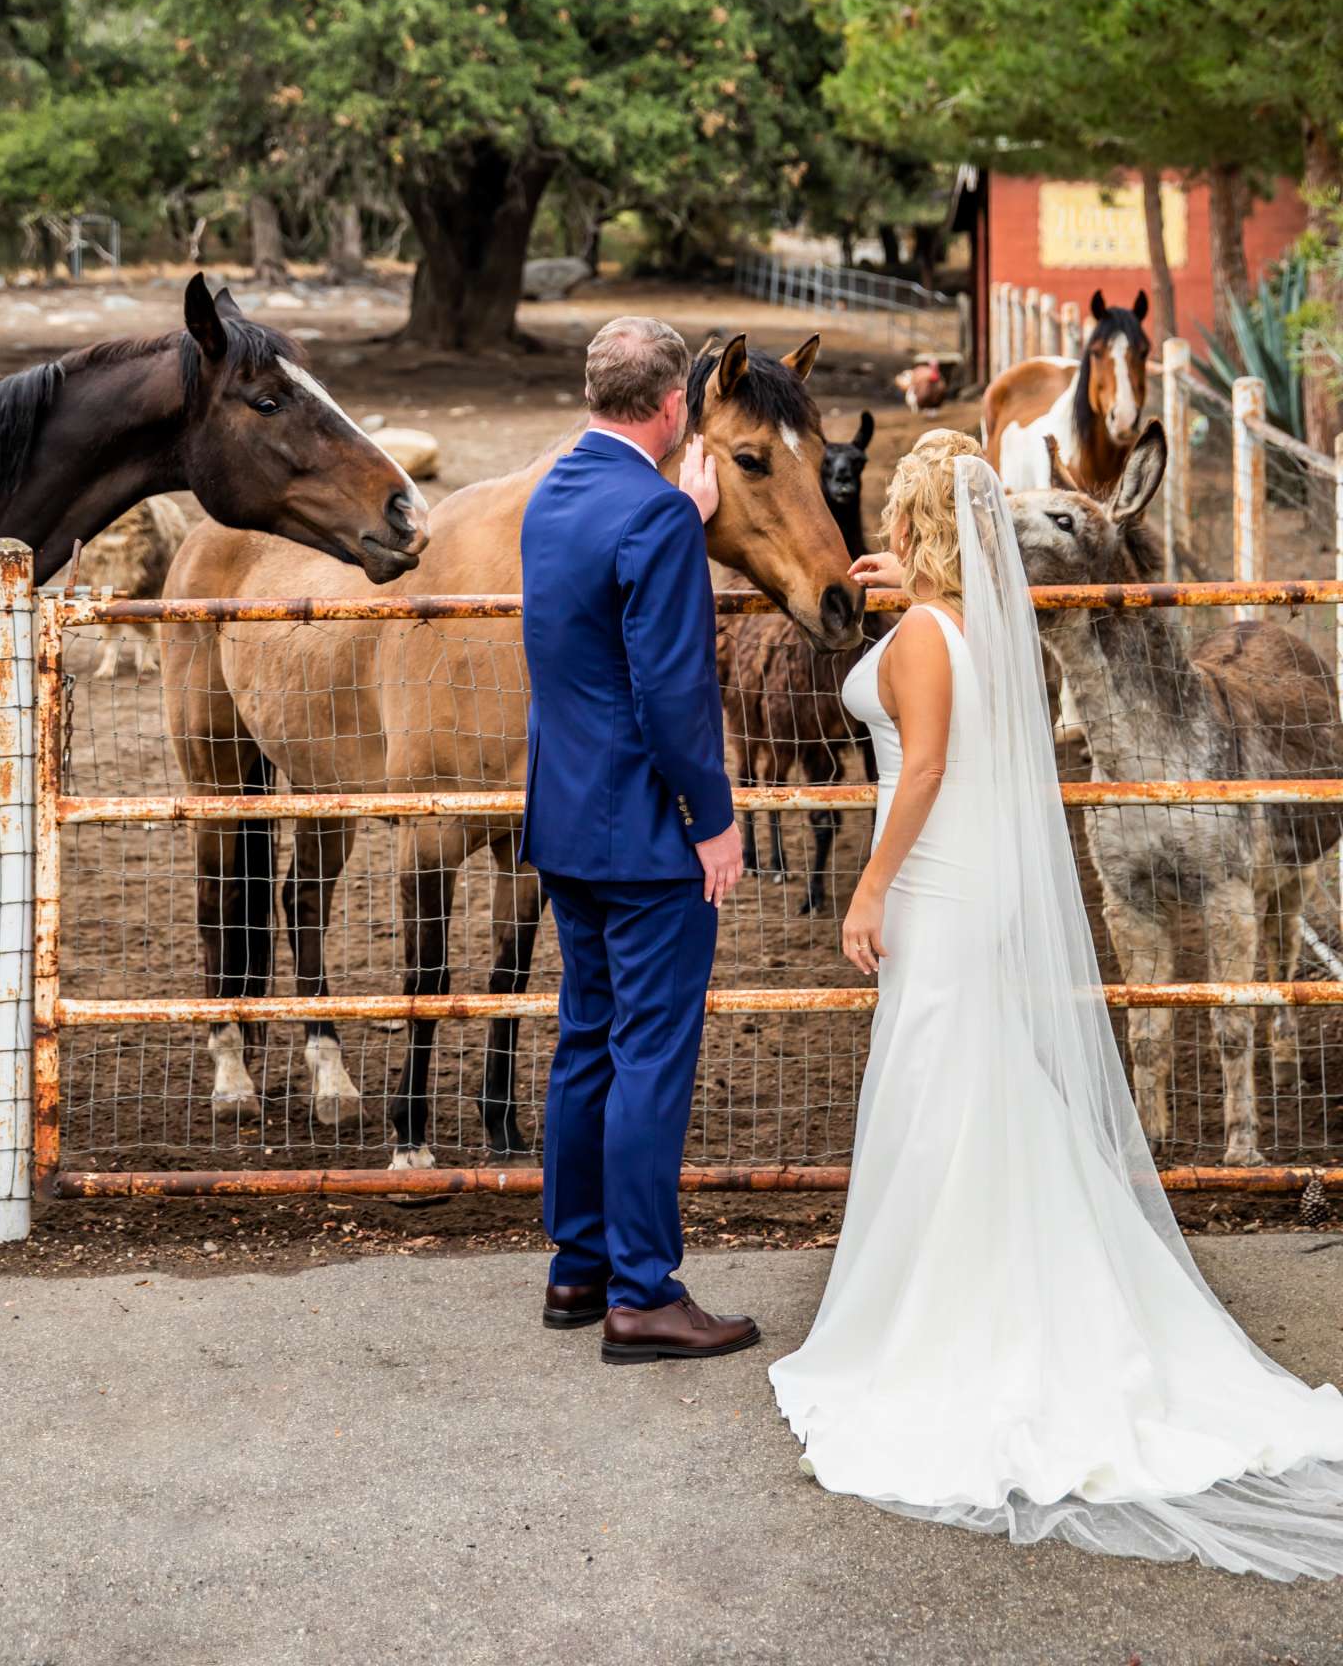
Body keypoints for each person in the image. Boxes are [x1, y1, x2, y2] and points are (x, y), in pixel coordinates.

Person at [771, 427, 1343, 1579]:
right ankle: (965, 1288)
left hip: (931, 876)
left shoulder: (934, 638)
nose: (875, 526)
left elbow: (923, 768)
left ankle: (955, 1320)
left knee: (949, 1079)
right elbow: (941, 676)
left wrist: (869, 885)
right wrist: (909, 595)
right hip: (958, 872)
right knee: (965, 1077)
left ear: (913, 526)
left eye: (893, 512)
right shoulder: (973, 624)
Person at [520, 315, 759, 1365]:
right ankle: (644, 1292)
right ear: (673, 409)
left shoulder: (550, 495)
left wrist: (675, 508)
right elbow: (673, 693)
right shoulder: (658, 520)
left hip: (566, 820)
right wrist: (713, 822)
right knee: (651, 1054)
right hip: (647, 834)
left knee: (585, 1041)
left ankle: (576, 1265)